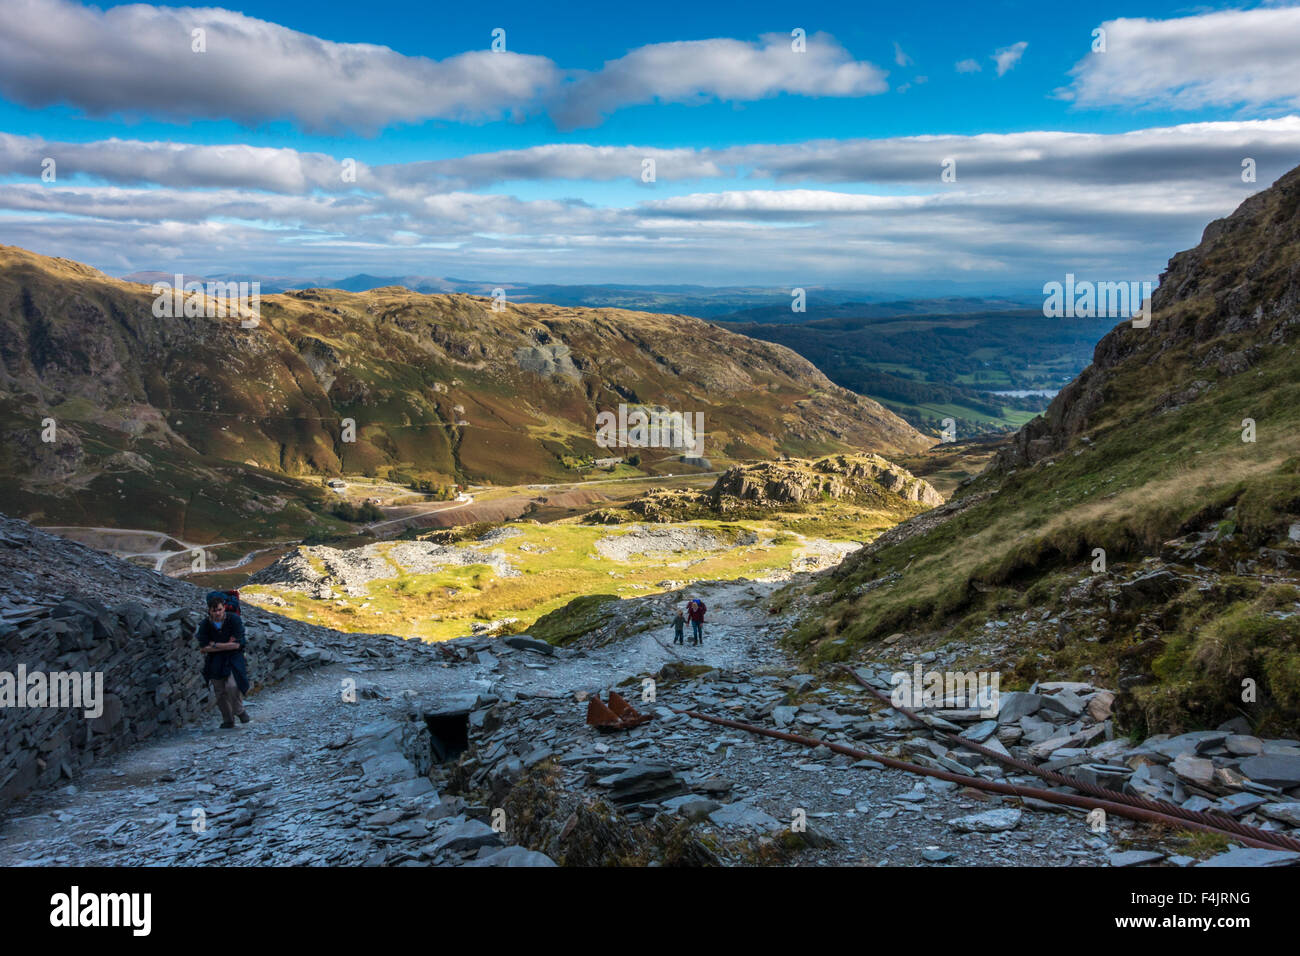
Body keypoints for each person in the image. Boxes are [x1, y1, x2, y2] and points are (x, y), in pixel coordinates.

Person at [196, 591, 251, 729]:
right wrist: (227, 645)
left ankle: (239, 711)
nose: (218, 613)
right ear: (209, 610)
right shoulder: (205, 624)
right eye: (214, 611)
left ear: (224, 608)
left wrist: (214, 644)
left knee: (232, 685)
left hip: (234, 657)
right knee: (219, 691)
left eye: (220, 610)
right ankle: (228, 720)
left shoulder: (233, 620)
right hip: (214, 661)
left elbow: (238, 644)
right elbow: (203, 648)